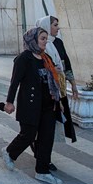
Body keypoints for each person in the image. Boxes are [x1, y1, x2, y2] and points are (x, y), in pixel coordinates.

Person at [2, 27, 63, 184]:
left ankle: (42, 171)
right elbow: (14, 82)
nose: (45, 41)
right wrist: (9, 102)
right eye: (42, 38)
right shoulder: (23, 58)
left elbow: (53, 81)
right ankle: (9, 152)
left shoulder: (46, 57)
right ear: (33, 39)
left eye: (46, 38)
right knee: (28, 135)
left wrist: (59, 100)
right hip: (30, 105)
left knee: (46, 138)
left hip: (48, 105)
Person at [35, 15, 78, 170]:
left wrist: (72, 84)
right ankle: (41, 157)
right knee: (43, 127)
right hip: (46, 93)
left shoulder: (58, 43)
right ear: (46, 26)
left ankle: (44, 157)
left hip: (59, 91)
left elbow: (66, 64)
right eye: (55, 25)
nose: (57, 28)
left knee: (52, 127)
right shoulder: (38, 45)